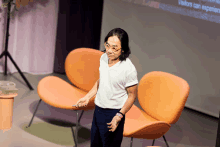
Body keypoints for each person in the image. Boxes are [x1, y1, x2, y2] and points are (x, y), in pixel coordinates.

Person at [75, 28, 138, 147]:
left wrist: (119, 115)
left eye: (114, 48)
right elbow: (102, 80)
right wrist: (88, 97)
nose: (109, 50)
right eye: (107, 45)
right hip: (98, 109)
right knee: (95, 144)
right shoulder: (103, 58)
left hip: (113, 114)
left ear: (123, 49)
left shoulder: (128, 69)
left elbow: (132, 95)